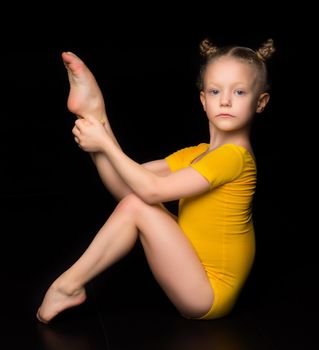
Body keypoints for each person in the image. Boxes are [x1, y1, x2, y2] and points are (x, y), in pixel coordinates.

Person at [36, 37, 275, 323]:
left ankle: (67, 286)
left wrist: (104, 144)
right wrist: (97, 118)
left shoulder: (234, 158)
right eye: (214, 91)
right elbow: (127, 186)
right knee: (134, 200)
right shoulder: (198, 154)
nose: (224, 100)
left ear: (260, 102)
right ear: (203, 100)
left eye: (238, 92)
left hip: (208, 293)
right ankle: (94, 109)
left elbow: (149, 192)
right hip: (192, 269)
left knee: (139, 203)